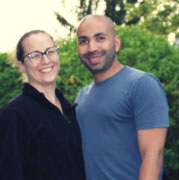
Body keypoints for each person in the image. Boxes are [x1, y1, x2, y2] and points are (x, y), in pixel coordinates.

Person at [75, 14, 169, 180]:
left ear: (116, 43)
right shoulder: (81, 97)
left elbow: (153, 155)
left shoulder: (141, 84)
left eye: (100, 38)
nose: (91, 48)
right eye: (84, 41)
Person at [0, 30, 85, 180]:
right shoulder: (14, 114)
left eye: (50, 51)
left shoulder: (69, 110)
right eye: (34, 55)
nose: (45, 60)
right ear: (21, 65)